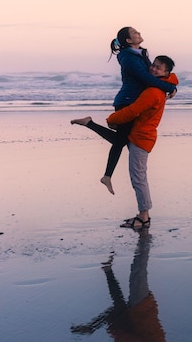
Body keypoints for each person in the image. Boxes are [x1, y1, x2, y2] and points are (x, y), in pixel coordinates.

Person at [71, 230, 179, 342]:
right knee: (138, 272)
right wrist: (117, 334)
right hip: (142, 310)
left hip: (138, 317)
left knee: (119, 300)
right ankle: (144, 238)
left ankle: (108, 269)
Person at [72, 55, 178, 229]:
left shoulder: (153, 92)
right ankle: (88, 123)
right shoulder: (156, 87)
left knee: (138, 178)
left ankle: (144, 217)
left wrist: (112, 118)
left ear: (166, 73)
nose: (153, 69)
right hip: (139, 134)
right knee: (120, 146)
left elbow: (132, 111)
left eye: (158, 68)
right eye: (153, 65)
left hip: (142, 138)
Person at [96, 27, 177, 195]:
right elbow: (146, 78)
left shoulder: (140, 54)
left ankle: (107, 175)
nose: (138, 33)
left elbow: (155, 75)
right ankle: (106, 175)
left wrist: (171, 84)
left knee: (122, 140)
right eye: (134, 33)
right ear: (128, 40)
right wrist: (170, 86)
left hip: (134, 102)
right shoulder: (128, 57)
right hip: (126, 102)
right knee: (121, 141)